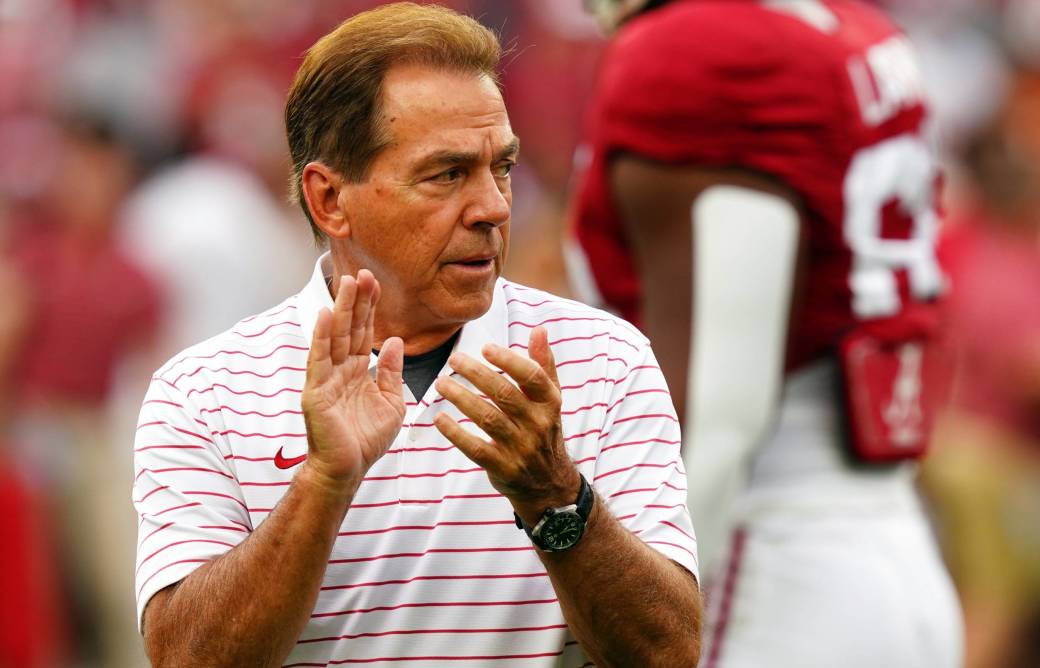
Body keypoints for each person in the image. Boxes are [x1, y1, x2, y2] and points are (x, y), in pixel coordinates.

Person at [131, 4, 701, 666]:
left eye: (503, 167)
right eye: (447, 174)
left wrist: (555, 497)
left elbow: (670, 654)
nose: (492, 207)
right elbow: (186, 659)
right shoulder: (203, 392)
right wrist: (323, 484)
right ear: (330, 200)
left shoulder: (605, 360)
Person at [572, 0, 962, 665]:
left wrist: (624, 619)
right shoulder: (848, 28)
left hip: (759, 566)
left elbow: (718, 415)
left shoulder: (701, 49)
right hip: (891, 547)